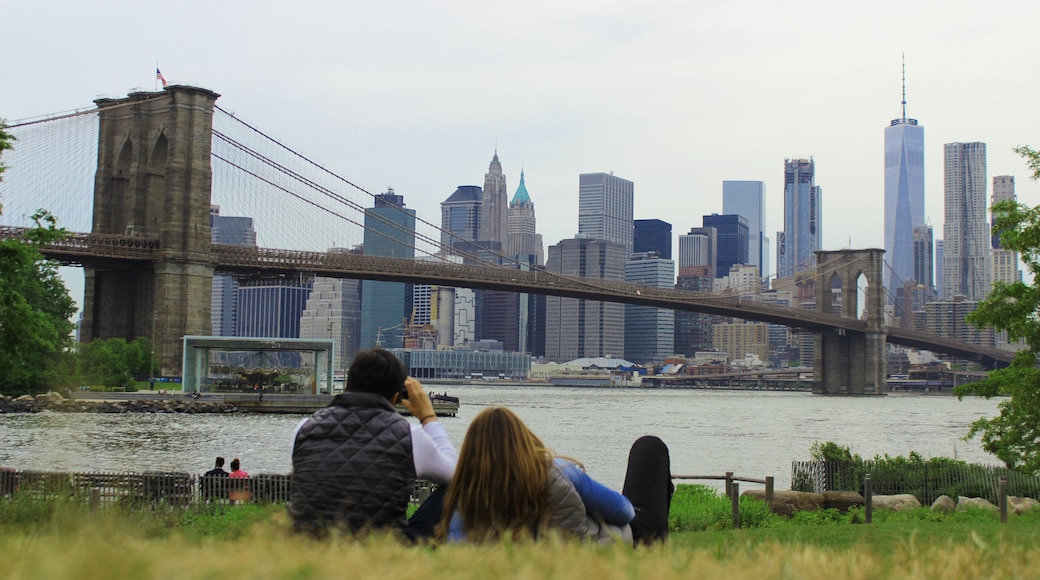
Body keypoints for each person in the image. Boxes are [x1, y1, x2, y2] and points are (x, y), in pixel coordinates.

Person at [438, 406, 672, 545]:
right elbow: (624, 511)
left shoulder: (464, 494)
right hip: (603, 549)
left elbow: (458, 547)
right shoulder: (559, 471)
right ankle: (658, 534)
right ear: (524, 438)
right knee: (649, 448)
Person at [289, 347, 457, 540]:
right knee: (455, 489)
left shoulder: (304, 428)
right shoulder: (410, 435)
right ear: (396, 397)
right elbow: (458, 475)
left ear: (347, 384)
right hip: (381, 547)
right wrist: (427, 416)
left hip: (308, 545)